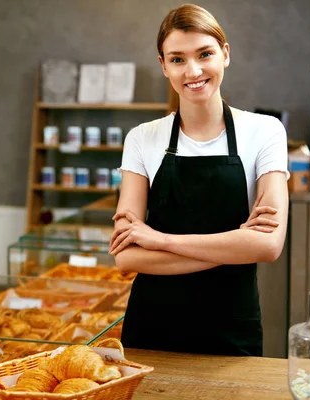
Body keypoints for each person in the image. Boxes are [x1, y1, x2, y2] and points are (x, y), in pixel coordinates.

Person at [109, 4, 289, 357]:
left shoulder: (264, 131)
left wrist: (158, 240)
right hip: (152, 330)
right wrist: (237, 246)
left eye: (204, 54)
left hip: (232, 329)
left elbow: (268, 246)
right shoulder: (142, 138)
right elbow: (127, 257)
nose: (192, 71)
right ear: (163, 65)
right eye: (177, 59)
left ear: (225, 54)